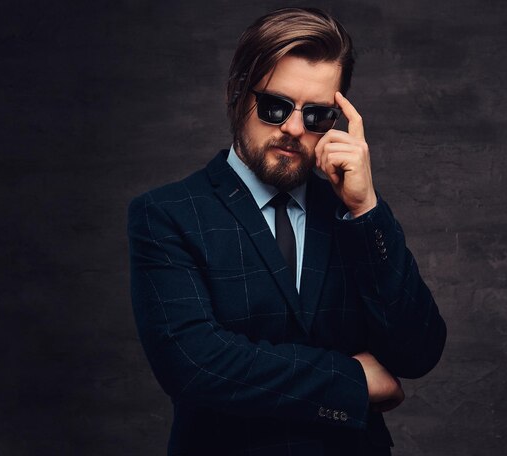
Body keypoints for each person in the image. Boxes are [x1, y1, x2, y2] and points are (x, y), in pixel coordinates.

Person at [128, 7, 446, 455]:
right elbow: (195, 364)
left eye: (316, 115)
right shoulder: (167, 214)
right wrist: (351, 382)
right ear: (237, 95)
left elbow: (419, 351)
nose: (294, 129)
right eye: (275, 107)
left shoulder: (352, 215)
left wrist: (365, 208)